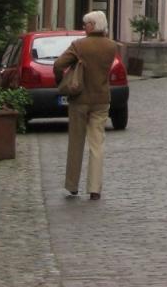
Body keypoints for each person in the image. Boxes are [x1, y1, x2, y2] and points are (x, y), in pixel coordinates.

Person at [54, 10, 120, 200]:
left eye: (86, 24)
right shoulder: (111, 46)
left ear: (93, 25)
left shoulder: (79, 45)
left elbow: (58, 65)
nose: (84, 27)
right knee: (97, 144)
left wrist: (60, 81)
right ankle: (94, 188)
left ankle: (72, 185)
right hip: (101, 99)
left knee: (76, 142)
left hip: (79, 99)